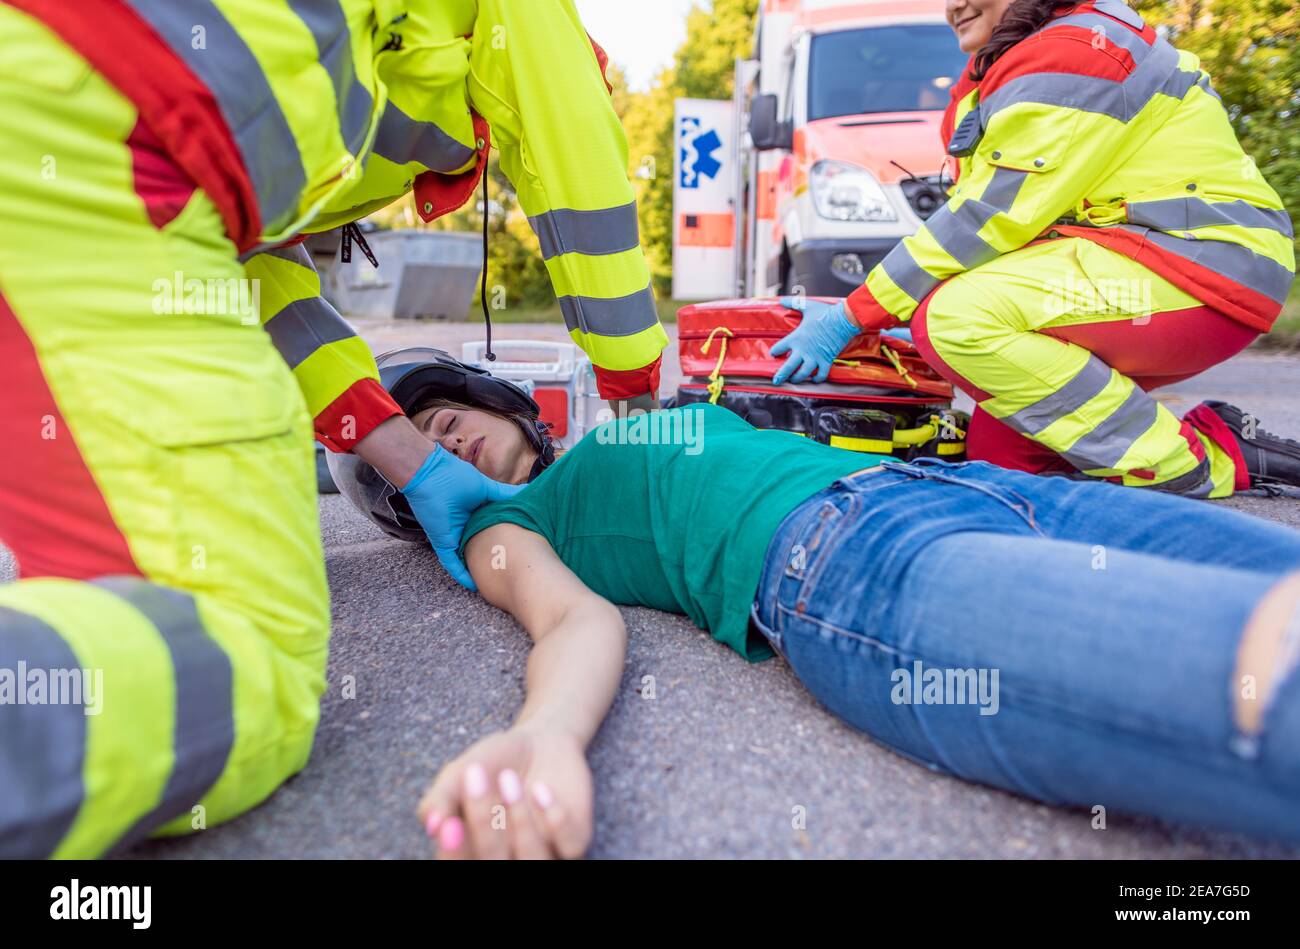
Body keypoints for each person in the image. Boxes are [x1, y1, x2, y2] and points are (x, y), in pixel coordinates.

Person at [0, 0, 664, 858]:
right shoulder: (530, 29)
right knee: (245, 653)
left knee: (116, 611)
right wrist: (642, 399)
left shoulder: (352, 87)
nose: (450, 444)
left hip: (72, 131)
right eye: (440, 427)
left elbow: (254, 268)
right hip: (97, 121)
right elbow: (580, 164)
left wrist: (407, 455)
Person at [326, 357, 1300, 858]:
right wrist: (544, 735)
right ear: (414, 504)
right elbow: (573, 621)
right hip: (843, 563)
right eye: (415, 443)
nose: (436, 430)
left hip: (960, 488)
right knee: (1257, 674)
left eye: (441, 408)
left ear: (492, 398)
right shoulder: (500, 529)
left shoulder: (610, 431)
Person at [770, 0, 1296, 499]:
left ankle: (1183, 463)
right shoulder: (1011, 63)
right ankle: (1233, 444)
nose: (955, 6)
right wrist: (897, 314)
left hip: (1200, 263)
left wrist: (853, 314)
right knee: (1003, 462)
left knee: (957, 322)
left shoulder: (1077, 51)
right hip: (1140, 260)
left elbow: (986, 220)